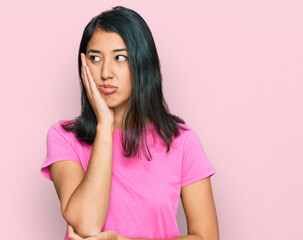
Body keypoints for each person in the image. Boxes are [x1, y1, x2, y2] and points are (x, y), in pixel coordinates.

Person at [40, 5, 219, 240]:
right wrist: (105, 123)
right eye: (95, 58)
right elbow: (86, 224)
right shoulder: (64, 137)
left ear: (142, 64)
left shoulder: (181, 141)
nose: (105, 72)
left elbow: (207, 237)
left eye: (120, 57)